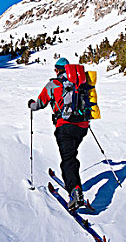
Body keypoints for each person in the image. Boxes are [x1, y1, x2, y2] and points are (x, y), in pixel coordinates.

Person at [28, 57, 89, 211]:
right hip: (82, 126)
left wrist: (31, 105)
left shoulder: (54, 84)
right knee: (72, 156)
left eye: (56, 69)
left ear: (58, 70)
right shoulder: (80, 83)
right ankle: (74, 183)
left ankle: (75, 192)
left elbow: (39, 104)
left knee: (68, 160)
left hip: (65, 127)